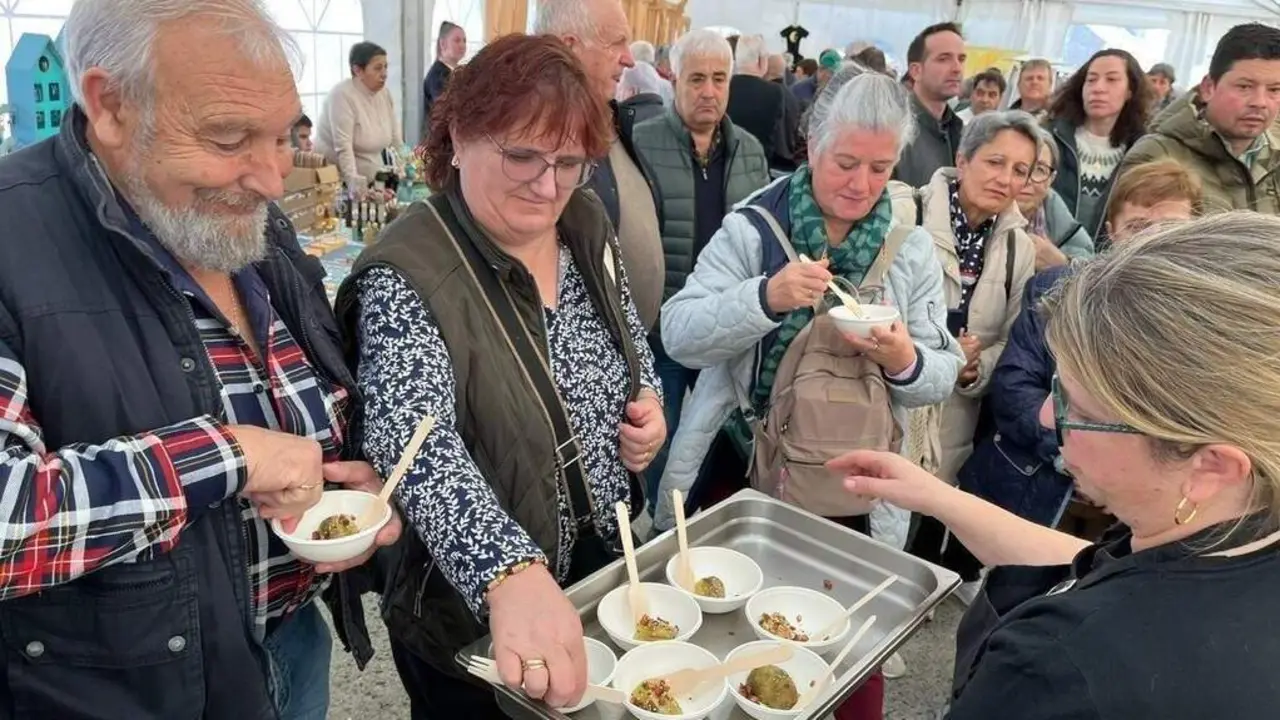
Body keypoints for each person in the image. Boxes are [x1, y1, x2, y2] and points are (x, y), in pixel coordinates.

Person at [0, 1, 402, 718]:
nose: (273, 178)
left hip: (290, 641)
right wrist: (231, 456)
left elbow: (300, 375)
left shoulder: (245, 212)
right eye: (227, 137)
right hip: (129, 691)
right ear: (110, 106)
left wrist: (350, 475)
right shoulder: (13, 238)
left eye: (281, 136)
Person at [831, 210, 1280, 719]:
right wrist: (937, 497)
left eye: (1076, 408)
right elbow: (1094, 562)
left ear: (1211, 468)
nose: (1046, 415)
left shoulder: (1054, 667)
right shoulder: (1232, 529)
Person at [337, 34, 664, 719]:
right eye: (522, 155)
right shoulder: (409, 270)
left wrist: (648, 406)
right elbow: (413, 441)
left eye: (569, 161)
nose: (547, 186)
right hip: (469, 612)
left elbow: (628, 335)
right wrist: (506, 572)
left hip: (598, 563)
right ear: (459, 133)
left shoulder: (583, 219)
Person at [655, 67, 962, 719]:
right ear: (810, 143)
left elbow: (940, 374)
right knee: (726, 643)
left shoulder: (909, 250)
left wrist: (904, 357)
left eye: (879, 168)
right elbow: (679, 334)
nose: (860, 184)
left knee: (846, 656)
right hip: (744, 476)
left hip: (855, 493)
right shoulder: (754, 229)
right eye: (845, 162)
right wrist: (763, 297)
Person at [957, 157, 1200, 555]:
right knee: (1017, 590)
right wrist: (1077, 453)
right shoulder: (1057, 290)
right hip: (1043, 487)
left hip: (1143, 514)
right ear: (1111, 232)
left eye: (1170, 228)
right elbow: (1014, 385)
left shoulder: (1208, 320)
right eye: (1138, 227)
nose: (1153, 240)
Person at [631, 28, 770, 515]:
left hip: (726, 325)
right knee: (659, 438)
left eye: (719, 79)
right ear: (673, 80)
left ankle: (695, 525)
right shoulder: (641, 143)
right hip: (662, 324)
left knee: (712, 439)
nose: (708, 91)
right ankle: (648, 529)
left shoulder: (751, 150)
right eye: (696, 79)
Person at [903, 112, 1038, 599]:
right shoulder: (909, 211)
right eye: (995, 161)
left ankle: (913, 603)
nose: (1006, 178)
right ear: (962, 160)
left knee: (932, 503)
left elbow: (1014, 335)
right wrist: (931, 351)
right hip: (900, 387)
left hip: (959, 406)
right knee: (884, 503)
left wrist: (978, 367)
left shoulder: (1017, 246)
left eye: (1021, 170)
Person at [536, 0, 664, 332]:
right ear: (569, 48)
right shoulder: (537, 139)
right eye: (616, 42)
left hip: (624, 352)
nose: (630, 57)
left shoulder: (609, 119)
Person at [1116, 23, 1280, 218]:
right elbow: (1135, 240)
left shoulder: (1274, 157)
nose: (1260, 102)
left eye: (1274, 90)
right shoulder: (1158, 155)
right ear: (1209, 87)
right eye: (1244, 87)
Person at [1046, 49, 1149, 240]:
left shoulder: (1143, 152)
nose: (1098, 88)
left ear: (1130, 91)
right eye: (1091, 80)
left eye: (1111, 79)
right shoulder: (1050, 139)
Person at [314, 41, 403, 194]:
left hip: (374, 174)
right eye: (377, 68)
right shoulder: (341, 95)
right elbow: (343, 147)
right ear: (358, 70)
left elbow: (396, 137)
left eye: (385, 67)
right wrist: (354, 184)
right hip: (337, 179)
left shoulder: (385, 94)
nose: (384, 73)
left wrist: (405, 167)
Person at [895, 23, 966, 187]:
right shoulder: (895, 129)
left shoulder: (962, 131)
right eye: (943, 59)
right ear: (916, 71)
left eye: (961, 59)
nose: (957, 68)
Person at [1016, 125, 1094, 270]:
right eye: (1020, 169)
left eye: (1040, 170)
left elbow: (1092, 271)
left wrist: (1062, 264)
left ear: (1051, 179)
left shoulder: (1059, 219)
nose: (1028, 180)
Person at [727, 34, 799, 171]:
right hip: (758, 166)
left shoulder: (724, 87)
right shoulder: (773, 92)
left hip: (725, 164)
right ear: (761, 60)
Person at [423, 21, 466, 138]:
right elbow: (447, 110)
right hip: (441, 142)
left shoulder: (457, 73)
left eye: (464, 41)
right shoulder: (437, 75)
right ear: (442, 44)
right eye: (457, 40)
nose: (462, 45)